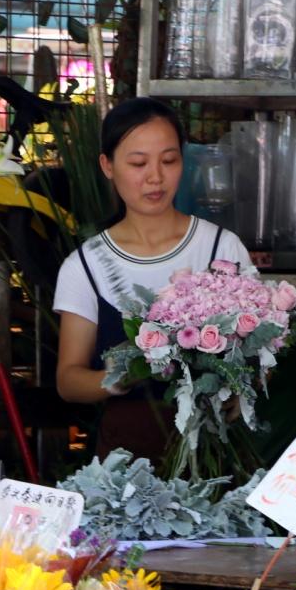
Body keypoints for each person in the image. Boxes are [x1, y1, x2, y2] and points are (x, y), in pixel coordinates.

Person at [54, 97, 250, 459]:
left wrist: (244, 388)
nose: (155, 177)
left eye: (169, 160)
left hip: (215, 453)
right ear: (107, 165)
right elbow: (68, 381)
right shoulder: (85, 266)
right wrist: (116, 378)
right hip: (124, 463)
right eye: (138, 163)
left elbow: (259, 350)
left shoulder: (221, 249)